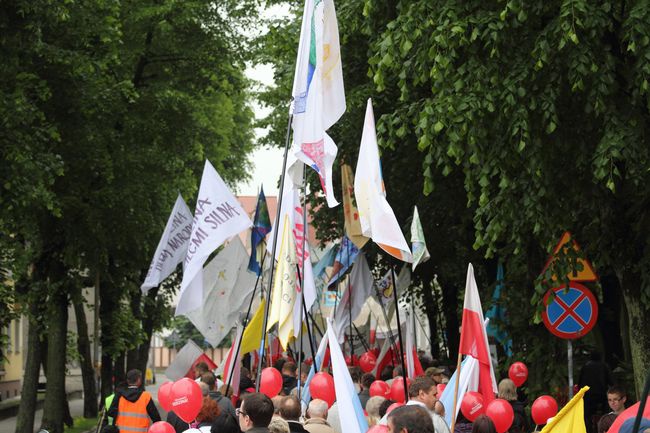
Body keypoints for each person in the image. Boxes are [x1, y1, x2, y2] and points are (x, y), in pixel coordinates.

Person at [578, 351, 613, 433]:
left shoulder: (585, 366)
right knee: (605, 412)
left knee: (587, 415)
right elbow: (611, 381)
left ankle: (588, 428)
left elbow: (580, 382)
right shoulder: (604, 366)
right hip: (601, 394)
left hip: (588, 396)